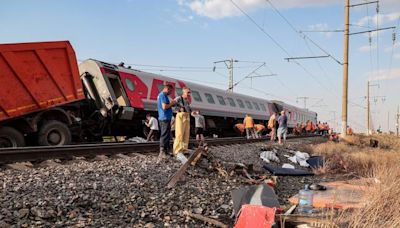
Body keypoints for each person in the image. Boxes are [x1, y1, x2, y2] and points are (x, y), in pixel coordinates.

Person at [157, 84, 176, 161]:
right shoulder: (162, 95)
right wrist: (172, 103)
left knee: (167, 134)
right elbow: (164, 107)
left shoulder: (163, 95)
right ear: (167, 89)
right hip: (164, 118)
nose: (171, 93)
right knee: (164, 134)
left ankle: (166, 150)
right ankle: (162, 152)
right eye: (170, 91)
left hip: (166, 118)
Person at [173, 87, 192, 164]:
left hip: (187, 116)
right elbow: (172, 103)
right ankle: (177, 150)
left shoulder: (187, 101)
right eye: (188, 92)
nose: (189, 94)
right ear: (183, 92)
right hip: (180, 116)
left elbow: (189, 109)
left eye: (189, 92)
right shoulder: (178, 98)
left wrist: (192, 112)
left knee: (186, 134)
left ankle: (184, 149)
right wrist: (178, 109)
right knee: (180, 133)